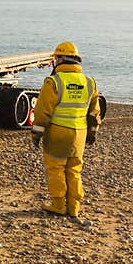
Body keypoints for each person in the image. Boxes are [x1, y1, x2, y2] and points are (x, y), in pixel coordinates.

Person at [30, 41, 102, 220]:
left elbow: (42, 112)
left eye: (55, 59)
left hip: (58, 133)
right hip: (79, 134)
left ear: (60, 59)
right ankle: (74, 207)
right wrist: (92, 133)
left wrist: (36, 134)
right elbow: (95, 113)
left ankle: (58, 205)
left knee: (56, 168)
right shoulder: (89, 82)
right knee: (74, 170)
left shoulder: (53, 82)